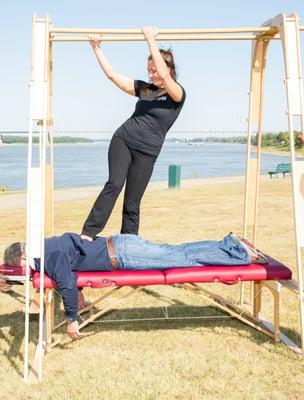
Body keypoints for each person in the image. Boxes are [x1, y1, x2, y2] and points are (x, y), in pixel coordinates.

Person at [3, 232, 267, 339]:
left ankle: (237, 252)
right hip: (120, 248)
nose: (23, 272)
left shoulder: (47, 255)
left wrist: (72, 317)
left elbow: (66, 280)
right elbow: (69, 267)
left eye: (20, 267)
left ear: (24, 258)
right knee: (180, 253)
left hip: (123, 254)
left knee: (183, 258)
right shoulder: (47, 246)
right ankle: (230, 246)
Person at [81, 27, 186, 241]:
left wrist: (150, 40)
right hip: (124, 141)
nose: (151, 73)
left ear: (168, 68)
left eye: (154, 69)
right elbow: (113, 76)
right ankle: (88, 234)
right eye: (149, 70)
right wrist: (96, 48)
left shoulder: (177, 94)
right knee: (115, 184)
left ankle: (128, 244)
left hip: (147, 153)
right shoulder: (148, 90)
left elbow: (165, 77)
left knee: (132, 202)